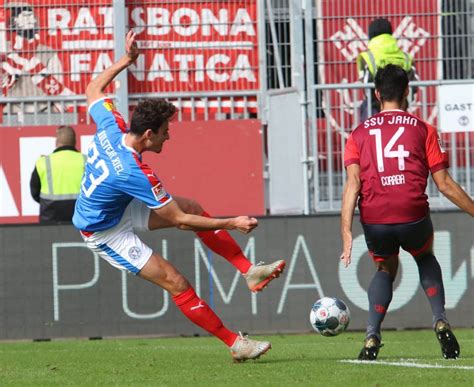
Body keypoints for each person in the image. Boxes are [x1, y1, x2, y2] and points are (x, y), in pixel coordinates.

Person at [72, 31, 286, 362]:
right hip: (103, 230)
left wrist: (127, 61)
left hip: (115, 206)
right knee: (176, 281)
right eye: (164, 132)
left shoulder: (113, 126)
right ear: (147, 134)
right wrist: (233, 222)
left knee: (191, 204)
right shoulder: (134, 172)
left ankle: (248, 271)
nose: (167, 138)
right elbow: (180, 222)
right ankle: (235, 343)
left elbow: (92, 89)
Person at [340, 64, 474, 361]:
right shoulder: (425, 129)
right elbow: (446, 185)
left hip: (374, 217)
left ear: (376, 94)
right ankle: (439, 318)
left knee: (386, 268)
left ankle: (372, 336)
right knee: (424, 256)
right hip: (412, 211)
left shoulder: (357, 134)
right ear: (407, 93)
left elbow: (353, 184)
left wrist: (346, 231)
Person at [356, 18, 419, 121]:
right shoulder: (406, 57)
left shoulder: (366, 57)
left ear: (370, 35)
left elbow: (366, 86)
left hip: (374, 109)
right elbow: (414, 86)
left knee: (364, 108)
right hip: (401, 108)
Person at [30, 125, 86, 224]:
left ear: (56, 142)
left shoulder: (43, 162)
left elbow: (35, 192)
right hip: (81, 215)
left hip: (51, 217)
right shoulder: (86, 160)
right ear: (75, 142)